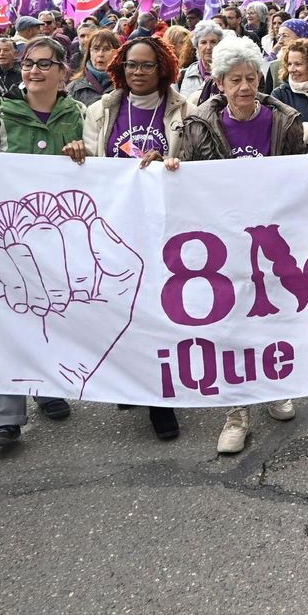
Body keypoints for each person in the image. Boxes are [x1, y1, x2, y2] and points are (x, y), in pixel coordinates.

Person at [179, 36, 307, 452]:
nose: (245, 87)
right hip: (224, 238)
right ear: (219, 83)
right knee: (231, 322)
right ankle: (237, 411)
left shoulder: (283, 120)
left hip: (272, 234)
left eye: (251, 78)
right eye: (235, 80)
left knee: (273, 314)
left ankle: (274, 387)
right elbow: (184, 177)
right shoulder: (198, 123)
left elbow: (299, 176)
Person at [0, 36, 88, 451]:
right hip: (6, 238)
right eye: (28, 63)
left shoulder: (78, 114)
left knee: (52, 313)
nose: (33, 71)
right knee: (7, 319)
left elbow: (99, 162)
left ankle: (49, 387)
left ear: (62, 71)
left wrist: (83, 152)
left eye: (43, 64)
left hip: (55, 237)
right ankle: (5, 418)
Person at [75, 34, 191, 441]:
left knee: (160, 311)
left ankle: (162, 402)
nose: (138, 73)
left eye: (146, 65)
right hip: (116, 227)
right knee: (124, 310)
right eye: (131, 66)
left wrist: (170, 162)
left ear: (163, 69)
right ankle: (133, 383)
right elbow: (90, 165)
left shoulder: (183, 109)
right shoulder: (99, 111)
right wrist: (77, 154)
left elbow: (193, 162)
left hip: (164, 226)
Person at [67, 28, 121, 107]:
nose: (100, 54)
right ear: (89, 53)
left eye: (107, 49)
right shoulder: (74, 87)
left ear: (116, 53)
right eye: (96, 49)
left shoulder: (124, 85)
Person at [179, 19, 224, 102]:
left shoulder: (227, 73)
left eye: (213, 42)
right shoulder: (184, 74)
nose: (208, 47)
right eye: (203, 42)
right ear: (197, 46)